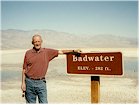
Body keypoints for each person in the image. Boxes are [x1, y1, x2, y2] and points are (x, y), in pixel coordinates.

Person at [21, 34, 81, 103]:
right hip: (29, 83)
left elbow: (60, 52)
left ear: (41, 42)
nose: (37, 43)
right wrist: (23, 83)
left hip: (41, 83)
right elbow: (24, 69)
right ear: (32, 43)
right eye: (35, 42)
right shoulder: (28, 53)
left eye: (39, 41)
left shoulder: (47, 52)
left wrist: (73, 51)